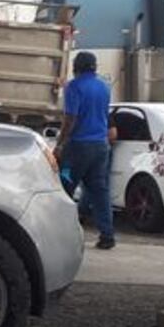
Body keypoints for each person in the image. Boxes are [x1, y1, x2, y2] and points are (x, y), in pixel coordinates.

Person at [56, 51, 115, 249]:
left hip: (78, 147)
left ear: (77, 66)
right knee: (100, 192)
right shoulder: (104, 87)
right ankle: (107, 235)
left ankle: (60, 233)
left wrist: (60, 143)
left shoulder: (74, 87)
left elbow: (70, 119)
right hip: (101, 146)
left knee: (64, 188)